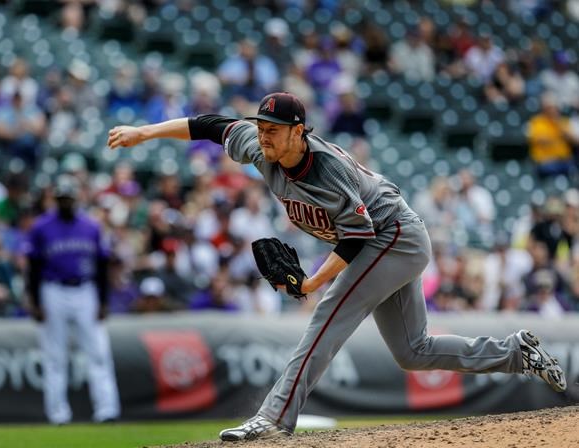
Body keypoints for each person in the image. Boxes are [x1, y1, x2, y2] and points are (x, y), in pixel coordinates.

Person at [107, 91, 566, 441]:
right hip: (384, 239)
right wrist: (144, 132)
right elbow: (209, 125)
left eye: (272, 129)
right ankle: (515, 352)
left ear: (298, 131)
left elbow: (355, 240)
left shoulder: (325, 171)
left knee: (329, 311)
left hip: (394, 236)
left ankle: (273, 417)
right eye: (260, 127)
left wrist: (310, 282)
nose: (262, 134)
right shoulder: (260, 147)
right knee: (413, 351)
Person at [26, 175, 120, 425]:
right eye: (61, 198)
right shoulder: (41, 227)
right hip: (53, 290)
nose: (65, 202)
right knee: (55, 356)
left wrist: (103, 300)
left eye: (69, 197)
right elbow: (33, 267)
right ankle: (57, 414)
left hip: (85, 290)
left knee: (98, 352)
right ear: (55, 199)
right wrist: (35, 301)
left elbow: (102, 266)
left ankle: (107, 410)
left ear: (76, 198)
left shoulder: (91, 226)